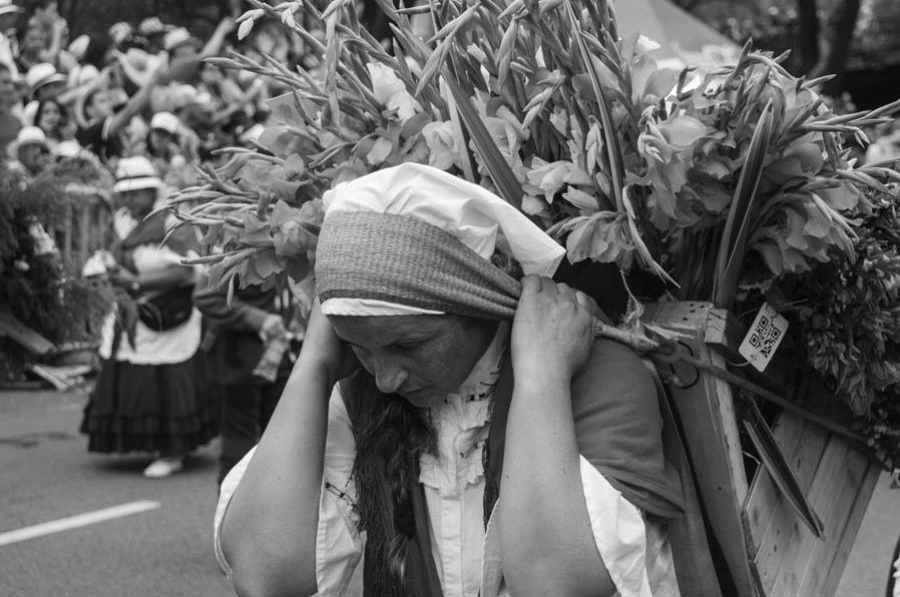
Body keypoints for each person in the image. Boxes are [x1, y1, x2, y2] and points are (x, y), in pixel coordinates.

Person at [214, 163, 685, 596]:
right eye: (360, 347)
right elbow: (265, 575)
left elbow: (556, 585)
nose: (386, 379)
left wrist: (542, 379)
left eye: (407, 345)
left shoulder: (596, 376)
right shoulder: (361, 391)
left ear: (480, 301)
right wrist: (315, 364)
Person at [79, 156, 218, 478]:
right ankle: (150, 443)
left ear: (150, 191)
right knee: (135, 376)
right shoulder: (123, 220)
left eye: (134, 193)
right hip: (132, 312)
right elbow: (115, 256)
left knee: (168, 377)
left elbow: (190, 269)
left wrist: (136, 282)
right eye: (124, 194)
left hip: (169, 313)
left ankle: (173, 451)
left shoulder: (172, 221)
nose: (127, 200)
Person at [193, 275, 301, 486]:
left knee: (281, 441)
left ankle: (274, 508)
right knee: (239, 445)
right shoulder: (241, 246)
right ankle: (230, 511)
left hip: (282, 357)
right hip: (240, 361)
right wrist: (258, 318)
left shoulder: (295, 247)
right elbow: (206, 296)